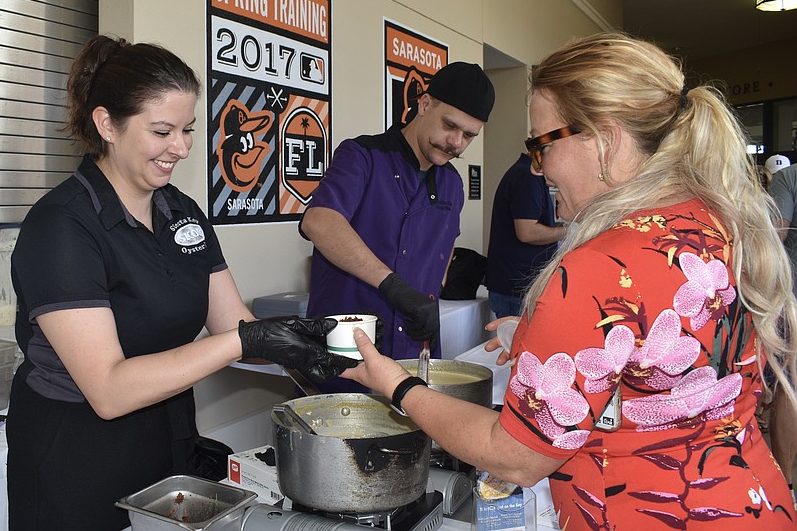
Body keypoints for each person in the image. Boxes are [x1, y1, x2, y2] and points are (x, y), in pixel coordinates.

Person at [342, 32, 797, 529]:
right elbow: (674, 374)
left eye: (541, 146)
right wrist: (546, 335)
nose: (539, 170)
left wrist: (397, 385)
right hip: (751, 500)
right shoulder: (718, 225)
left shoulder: (601, 266)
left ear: (604, 140)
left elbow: (515, 456)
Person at [6, 35, 356, 531]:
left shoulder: (181, 213)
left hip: (167, 435)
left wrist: (304, 340)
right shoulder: (61, 226)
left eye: (189, 130)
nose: (182, 148)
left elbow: (235, 327)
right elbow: (108, 389)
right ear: (107, 124)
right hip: (76, 452)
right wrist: (244, 339)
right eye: (163, 131)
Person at [299, 62, 495, 389]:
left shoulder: (452, 183)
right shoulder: (362, 156)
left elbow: (444, 252)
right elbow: (319, 221)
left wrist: (431, 293)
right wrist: (394, 287)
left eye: (469, 135)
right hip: (347, 353)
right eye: (450, 126)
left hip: (414, 352)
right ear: (425, 103)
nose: (456, 142)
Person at [485, 153, 566, 318]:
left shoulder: (526, 173)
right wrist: (571, 231)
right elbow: (527, 232)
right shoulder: (527, 176)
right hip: (517, 288)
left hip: (515, 284)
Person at [766, 162, 797, 498]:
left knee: (791, 384)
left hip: (794, 293)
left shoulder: (789, 178)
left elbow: (777, 234)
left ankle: (785, 484)